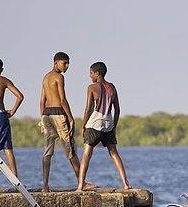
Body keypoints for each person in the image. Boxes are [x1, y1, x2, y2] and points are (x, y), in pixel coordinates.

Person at [76, 62, 130, 192]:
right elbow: (117, 109)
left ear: (97, 73)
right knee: (113, 152)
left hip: (95, 122)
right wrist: (114, 126)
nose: (90, 76)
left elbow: (88, 109)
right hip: (108, 123)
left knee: (86, 153)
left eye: (91, 73)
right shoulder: (112, 87)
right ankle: (126, 183)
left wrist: (83, 126)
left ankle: (80, 186)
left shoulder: (92, 87)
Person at [39, 52, 80, 192]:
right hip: (57, 114)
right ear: (56, 63)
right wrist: (70, 117)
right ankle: (82, 182)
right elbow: (62, 100)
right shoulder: (59, 77)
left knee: (48, 151)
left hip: (46, 114)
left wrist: (42, 118)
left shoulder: (45, 78)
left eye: (68, 63)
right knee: (70, 148)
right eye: (64, 63)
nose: (67, 66)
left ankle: (45, 186)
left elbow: (42, 101)